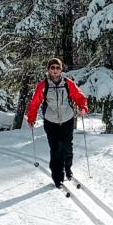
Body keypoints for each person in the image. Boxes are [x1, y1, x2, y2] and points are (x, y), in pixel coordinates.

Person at [26, 57, 89, 187]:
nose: (55, 71)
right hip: (51, 121)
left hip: (67, 119)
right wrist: (31, 118)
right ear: (48, 70)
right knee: (56, 149)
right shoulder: (43, 85)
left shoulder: (67, 83)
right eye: (52, 68)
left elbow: (79, 96)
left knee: (67, 147)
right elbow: (35, 103)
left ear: (61, 69)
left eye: (57, 68)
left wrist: (83, 107)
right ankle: (57, 177)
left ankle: (68, 169)